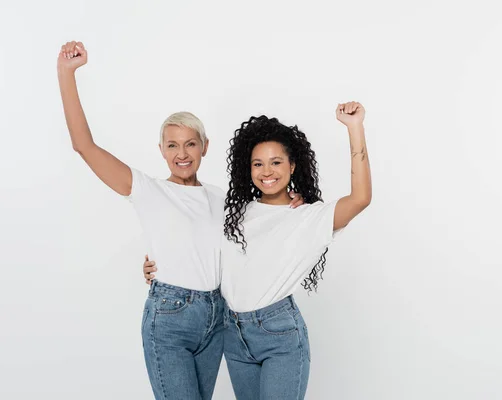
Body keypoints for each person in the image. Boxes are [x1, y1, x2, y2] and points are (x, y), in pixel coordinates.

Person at [57, 40, 302, 399]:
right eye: (172, 145)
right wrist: (67, 73)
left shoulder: (223, 199)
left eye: (190, 144)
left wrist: (296, 197)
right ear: (161, 151)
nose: (181, 153)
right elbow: (84, 145)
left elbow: (266, 215)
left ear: (205, 146)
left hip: (217, 317)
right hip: (170, 318)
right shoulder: (147, 189)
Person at [144, 101, 371, 399]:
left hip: (279, 335)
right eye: (258, 163)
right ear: (247, 168)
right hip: (233, 335)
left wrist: (355, 129)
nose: (267, 172)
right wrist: (157, 267)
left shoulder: (307, 216)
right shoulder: (235, 212)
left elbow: (360, 198)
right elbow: (199, 246)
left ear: (292, 166)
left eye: (276, 162)